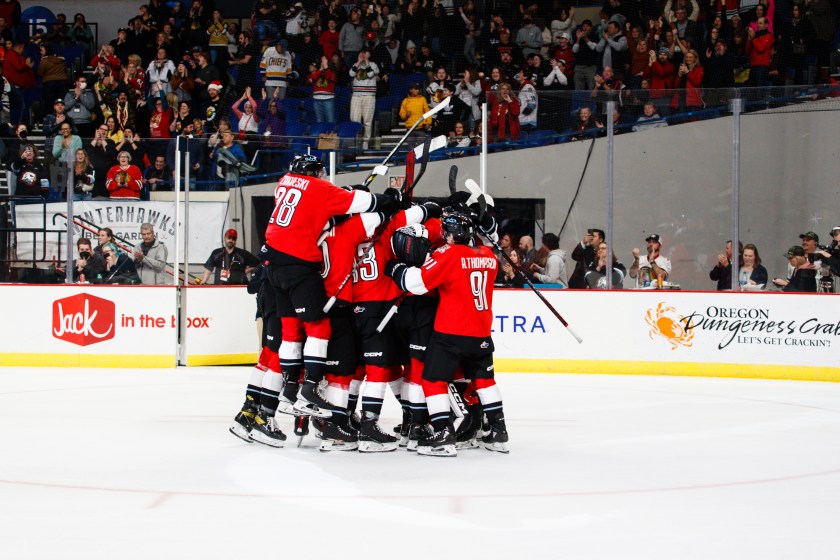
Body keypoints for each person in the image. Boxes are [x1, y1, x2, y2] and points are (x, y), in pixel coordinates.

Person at [258, 154, 405, 434]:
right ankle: (310, 387)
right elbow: (367, 205)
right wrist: (389, 201)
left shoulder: (284, 182)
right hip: (301, 266)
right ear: (315, 172)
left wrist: (346, 196)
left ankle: (290, 387)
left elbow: (320, 207)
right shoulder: (335, 210)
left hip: (273, 264)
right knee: (319, 328)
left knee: (290, 331)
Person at [385, 209, 509, 456]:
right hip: (481, 332)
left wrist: (395, 267)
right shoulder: (488, 256)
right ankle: (498, 432)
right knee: (485, 381)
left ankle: (443, 434)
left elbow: (416, 284)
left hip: (451, 333)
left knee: (432, 381)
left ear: (450, 235)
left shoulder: (448, 254)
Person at [349, 48, 379, 150]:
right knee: (355, 119)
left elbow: (370, 74)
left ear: (369, 54)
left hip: (369, 96)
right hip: (356, 95)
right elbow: (351, 74)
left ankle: (366, 141)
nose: (363, 55)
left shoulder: (373, 65)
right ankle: (356, 140)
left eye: (365, 53)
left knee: (367, 120)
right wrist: (358, 62)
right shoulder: (355, 65)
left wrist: (366, 62)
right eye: (361, 53)